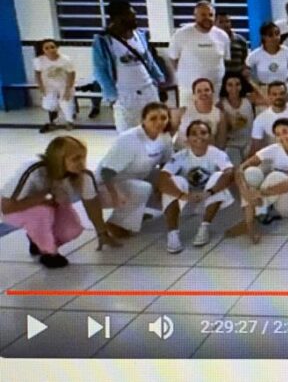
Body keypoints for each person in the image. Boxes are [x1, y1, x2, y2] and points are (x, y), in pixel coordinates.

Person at [2, 136, 121, 268]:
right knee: (43, 211)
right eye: (75, 159)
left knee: (73, 229)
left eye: (83, 157)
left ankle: (38, 240)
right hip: (17, 210)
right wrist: (40, 199)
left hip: (49, 207)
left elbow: (91, 203)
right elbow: (6, 207)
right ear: (58, 159)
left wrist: (102, 232)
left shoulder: (83, 176)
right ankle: (48, 252)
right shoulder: (34, 169)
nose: (81, 163)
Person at [96, 102, 174, 238]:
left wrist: (163, 185)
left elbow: (166, 164)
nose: (159, 122)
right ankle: (115, 223)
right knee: (143, 188)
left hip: (137, 177)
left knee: (174, 180)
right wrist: (116, 195)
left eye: (163, 118)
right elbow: (106, 172)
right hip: (106, 185)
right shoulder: (129, 139)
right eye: (153, 118)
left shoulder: (165, 137)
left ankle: (135, 211)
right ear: (143, 120)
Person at [230, 118, 288, 242]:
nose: (282, 137)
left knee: (276, 176)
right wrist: (245, 192)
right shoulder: (274, 148)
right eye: (278, 134)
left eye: (285, 132)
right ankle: (250, 224)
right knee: (251, 173)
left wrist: (259, 193)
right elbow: (240, 169)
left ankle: (254, 214)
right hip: (275, 201)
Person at [158, 121, 235, 253]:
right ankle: (173, 233)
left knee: (218, 175)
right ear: (187, 139)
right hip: (185, 202)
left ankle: (204, 227)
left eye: (203, 133)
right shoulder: (180, 156)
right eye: (194, 134)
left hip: (207, 201)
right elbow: (162, 179)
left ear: (210, 136)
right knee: (175, 180)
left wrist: (209, 193)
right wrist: (183, 195)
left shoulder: (217, 153)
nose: (199, 137)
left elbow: (230, 173)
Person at [92, 0, 165, 132]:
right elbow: (100, 71)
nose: (135, 18)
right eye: (131, 16)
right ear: (118, 18)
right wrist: (113, 96)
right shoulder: (103, 41)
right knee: (128, 134)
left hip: (148, 89)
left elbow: (149, 60)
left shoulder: (140, 35)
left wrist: (159, 80)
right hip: (125, 95)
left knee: (156, 131)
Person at [167, 0, 230, 107]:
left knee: (213, 121)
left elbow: (225, 59)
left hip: (214, 91)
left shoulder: (222, 36)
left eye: (211, 15)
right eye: (203, 15)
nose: (208, 18)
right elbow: (173, 59)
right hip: (188, 92)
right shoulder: (181, 34)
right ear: (195, 16)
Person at [248, 81, 288, 155]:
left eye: (282, 94)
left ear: (286, 95)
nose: (278, 97)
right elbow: (255, 147)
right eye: (274, 94)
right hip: (275, 154)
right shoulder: (260, 119)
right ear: (269, 96)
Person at [171, 78, 227, 151]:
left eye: (207, 90)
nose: (203, 93)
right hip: (181, 152)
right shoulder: (182, 112)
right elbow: (169, 135)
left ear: (212, 93)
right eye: (199, 91)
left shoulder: (220, 115)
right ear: (194, 95)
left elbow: (221, 144)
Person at [33, 39, 76, 132]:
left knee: (66, 103)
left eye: (52, 47)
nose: (50, 50)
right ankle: (54, 122)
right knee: (49, 105)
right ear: (43, 50)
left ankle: (69, 122)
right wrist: (40, 86)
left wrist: (68, 89)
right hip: (49, 86)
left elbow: (71, 74)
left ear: (57, 48)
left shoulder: (66, 59)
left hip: (64, 85)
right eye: (47, 48)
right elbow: (37, 73)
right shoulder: (39, 60)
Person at [247, 21, 288, 98]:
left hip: (284, 89)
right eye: (270, 35)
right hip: (264, 91)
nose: (275, 37)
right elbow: (246, 74)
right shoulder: (255, 54)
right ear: (263, 37)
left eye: (277, 34)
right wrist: (256, 87)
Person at [219, 72, 255, 167]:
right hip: (232, 145)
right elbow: (232, 125)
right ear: (225, 86)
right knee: (235, 169)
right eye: (230, 85)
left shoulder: (248, 99)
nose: (234, 88)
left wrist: (250, 81)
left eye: (237, 84)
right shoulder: (221, 104)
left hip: (249, 142)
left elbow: (266, 100)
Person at [215, 10, 249, 76]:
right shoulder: (212, 41)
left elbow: (245, 61)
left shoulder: (241, 40)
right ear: (214, 24)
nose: (225, 24)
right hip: (218, 80)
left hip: (237, 80)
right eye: (221, 22)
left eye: (227, 21)